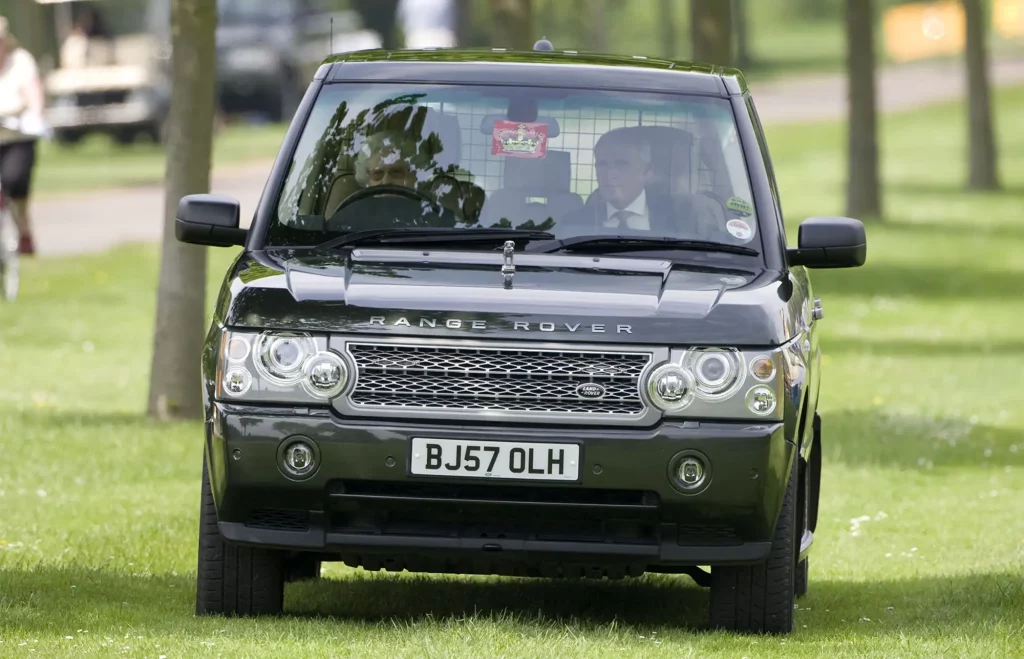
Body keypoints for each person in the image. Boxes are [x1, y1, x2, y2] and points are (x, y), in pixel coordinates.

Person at [560, 128, 680, 236]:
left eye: (621, 165)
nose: (610, 175)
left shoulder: (678, 219)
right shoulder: (574, 223)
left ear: (646, 172)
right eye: (602, 165)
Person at [0, 16, 46, 255]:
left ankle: (24, 233)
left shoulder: (20, 61)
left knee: (15, 183)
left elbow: (34, 93)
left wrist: (35, 116)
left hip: (17, 135)